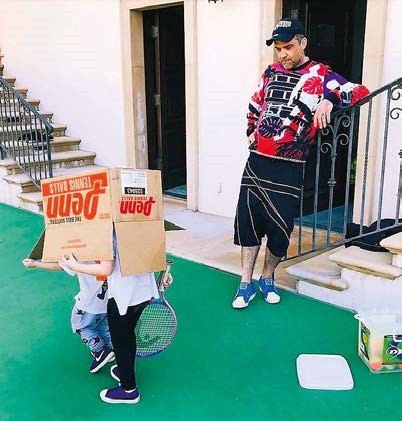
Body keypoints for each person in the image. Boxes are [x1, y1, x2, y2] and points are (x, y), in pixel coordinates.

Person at [232, 17, 369, 309]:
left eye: (289, 47)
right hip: (257, 163)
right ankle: (245, 282)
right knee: (248, 224)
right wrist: (251, 132)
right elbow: (254, 104)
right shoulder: (270, 72)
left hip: (290, 166)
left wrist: (330, 99)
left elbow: (361, 92)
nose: (283, 54)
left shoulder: (322, 74)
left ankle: (267, 277)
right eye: (278, 48)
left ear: (303, 43)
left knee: (280, 229)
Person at [60, 231, 173, 405]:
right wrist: (164, 270)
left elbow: (106, 269)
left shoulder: (104, 227)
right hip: (144, 290)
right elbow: (150, 247)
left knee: (121, 341)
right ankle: (124, 371)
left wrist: (74, 265)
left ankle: (129, 390)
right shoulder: (134, 220)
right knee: (128, 335)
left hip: (123, 295)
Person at [22, 258, 115, 373]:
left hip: (89, 302)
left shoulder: (80, 254)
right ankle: (108, 348)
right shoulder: (109, 253)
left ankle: (100, 351)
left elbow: (61, 265)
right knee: (101, 325)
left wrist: (36, 264)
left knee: (80, 325)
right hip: (108, 301)